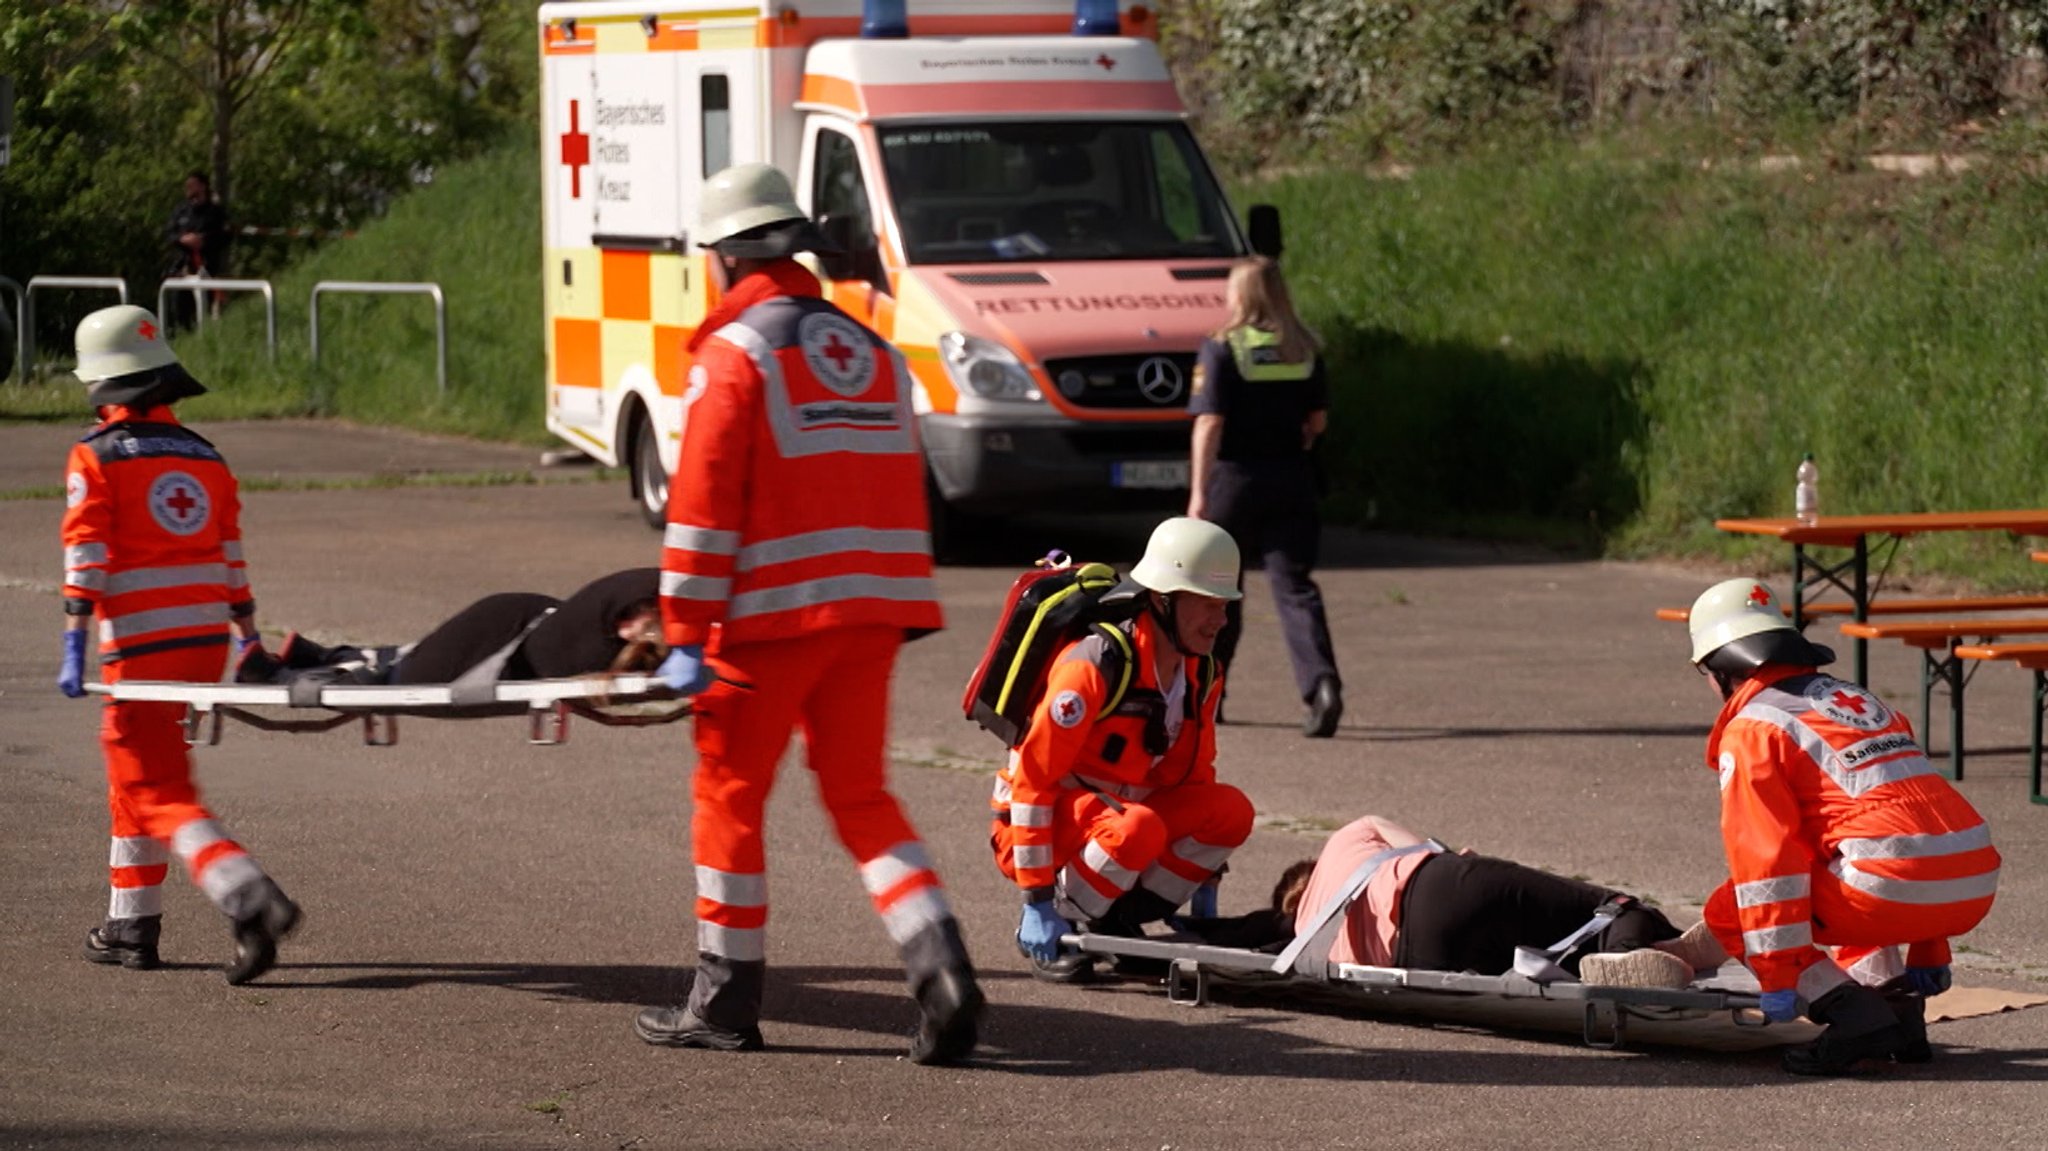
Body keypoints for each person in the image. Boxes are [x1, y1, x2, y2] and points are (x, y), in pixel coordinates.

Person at [634, 162, 981, 1066]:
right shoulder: (872, 351)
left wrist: (682, 637)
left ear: (726, 257)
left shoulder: (733, 356)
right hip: (873, 616)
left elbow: (702, 514)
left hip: (768, 626)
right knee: (862, 796)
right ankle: (942, 968)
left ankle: (723, 999)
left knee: (729, 799)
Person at [1654, 577, 2001, 1075]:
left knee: (1733, 909)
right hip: (1971, 880)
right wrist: (1931, 942)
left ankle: (1853, 1016)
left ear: (1719, 668)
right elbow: (1918, 815)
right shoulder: (1858, 703)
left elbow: (1765, 862)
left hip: (1891, 885)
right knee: (1843, 870)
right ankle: (1900, 1015)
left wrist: (1778, 975)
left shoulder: (1754, 728)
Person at [56, 304, 300, 984]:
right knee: (136, 777)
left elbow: (88, 555)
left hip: (139, 651)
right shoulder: (206, 455)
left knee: (155, 785)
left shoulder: (95, 456)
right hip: (204, 648)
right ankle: (131, 921)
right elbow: (231, 560)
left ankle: (246, 892)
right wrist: (249, 639)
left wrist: (74, 636)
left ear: (104, 388)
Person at [993, 516, 1258, 983]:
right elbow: (1032, 785)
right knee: (1138, 827)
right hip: (1040, 820)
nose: (1221, 620)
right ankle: (1058, 926)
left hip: (1117, 817)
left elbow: (1192, 778)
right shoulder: (1094, 664)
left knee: (1230, 810)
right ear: (1162, 600)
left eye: (1226, 604)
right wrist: (1035, 900)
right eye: (1208, 604)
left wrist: (1206, 873)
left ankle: (1116, 921)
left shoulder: (1202, 673)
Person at [1187, 815, 1682, 977]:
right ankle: (1638, 949)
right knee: (1612, 906)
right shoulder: (1347, 838)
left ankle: (1618, 964)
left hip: (1422, 959)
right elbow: (1430, 847)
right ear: (1310, 867)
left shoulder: (1305, 938)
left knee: (1553, 950)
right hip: (1435, 889)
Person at [1186, 256, 1343, 737]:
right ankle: (1321, 687)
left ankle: (1211, 694)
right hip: (1292, 479)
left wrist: (1197, 491)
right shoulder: (1304, 348)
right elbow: (1317, 422)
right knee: (1295, 588)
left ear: (1241, 295)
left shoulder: (1222, 348)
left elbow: (1210, 421)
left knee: (1219, 593)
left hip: (1235, 482)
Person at [233, 569, 664, 686]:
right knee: (404, 679)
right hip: (508, 630)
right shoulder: (651, 589)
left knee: (410, 660)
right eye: (636, 620)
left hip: (522, 628)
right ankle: (278, 674)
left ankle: (316, 655)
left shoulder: (643, 606)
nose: (628, 628)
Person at [163, 171, 231, 331]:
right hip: (182, 269)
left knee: (205, 311)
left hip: (207, 268)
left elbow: (225, 236)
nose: (189, 189)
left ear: (202, 186)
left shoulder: (215, 212)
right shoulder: (181, 211)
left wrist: (204, 241)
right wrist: (182, 239)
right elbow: (169, 234)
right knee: (179, 310)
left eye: (192, 185)